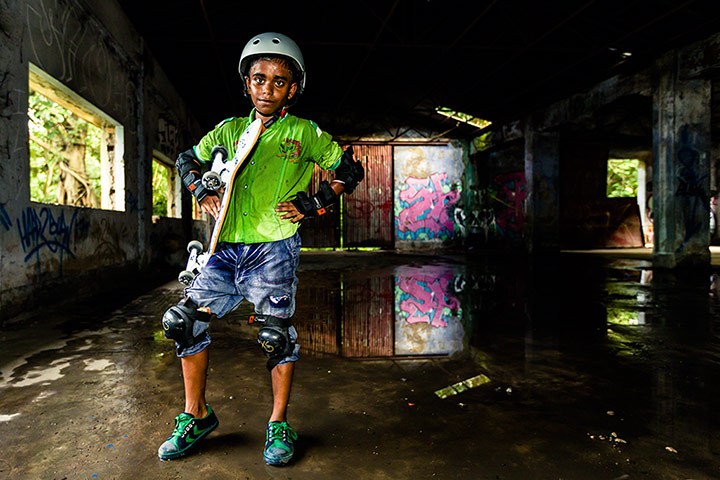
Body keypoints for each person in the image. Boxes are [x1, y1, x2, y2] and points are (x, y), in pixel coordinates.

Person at [157, 32, 364, 466]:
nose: (267, 89)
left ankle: (279, 423)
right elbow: (186, 159)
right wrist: (199, 188)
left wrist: (315, 202)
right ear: (247, 83)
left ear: (293, 87)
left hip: (273, 249)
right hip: (225, 248)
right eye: (259, 79)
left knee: (275, 337)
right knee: (182, 323)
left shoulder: (303, 132)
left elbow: (347, 168)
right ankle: (196, 416)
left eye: (279, 81)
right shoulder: (230, 130)